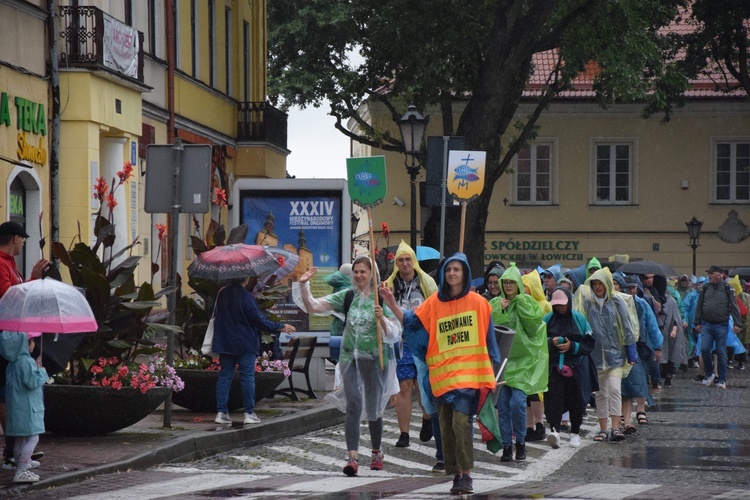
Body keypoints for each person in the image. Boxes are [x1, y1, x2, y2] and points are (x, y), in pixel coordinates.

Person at [381, 253, 499, 495]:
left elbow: (490, 342)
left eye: (456, 270)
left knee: (460, 423)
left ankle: (466, 473)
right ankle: (455, 473)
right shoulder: (434, 302)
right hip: (442, 377)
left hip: (468, 377)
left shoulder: (479, 304)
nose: (452, 274)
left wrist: (492, 371)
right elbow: (412, 322)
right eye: (448, 270)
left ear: (464, 273)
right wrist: (392, 304)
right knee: (444, 427)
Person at [293, 256, 401, 476]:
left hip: (374, 359)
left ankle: (376, 451)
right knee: (353, 403)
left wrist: (382, 319)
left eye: (363, 271)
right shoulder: (348, 296)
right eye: (356, 272)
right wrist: (303, 285)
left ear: (372, 274)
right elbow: (313, 306)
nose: (359, 275)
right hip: (350, 358)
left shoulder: (380, 299)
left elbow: (394, 334)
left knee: (373, 407)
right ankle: (352, 457)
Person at [213, 276, 296, 426]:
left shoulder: (222, 294)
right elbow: (257, 319)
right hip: (245, 342)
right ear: (245, 279)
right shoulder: (246, 296)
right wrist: (279, 326)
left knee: (225, 375)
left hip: (225, 341)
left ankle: (221, 413)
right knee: (247, 377)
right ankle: (249, 413)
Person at [0, 221, 48, 469]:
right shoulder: (0, 263)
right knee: (7, 394)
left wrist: (30, 279)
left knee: (10, 393)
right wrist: (31, 280)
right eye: (22, 239)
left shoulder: (9, 263)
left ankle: (17, 451)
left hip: (13, 336)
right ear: (15, 238)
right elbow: (9, 298)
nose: (23, 243)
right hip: (6, 339)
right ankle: (12, 452)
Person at [490, 263, 548, 462]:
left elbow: (534, 326)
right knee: (503, 406)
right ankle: (507, 446)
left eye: (511, 282)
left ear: (517, 284)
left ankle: (521, 442)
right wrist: (499, 310)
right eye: (505, 282)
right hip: (504, 360)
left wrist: (520, 304)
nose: (507, 286)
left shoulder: (527, 302)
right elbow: (490, 327)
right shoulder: (496, 302)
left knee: (517, 403)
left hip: (523, 361)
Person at [383, 242, 438, 448]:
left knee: (422, 384)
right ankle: (404, 433)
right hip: (401, 341)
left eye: (408, 259)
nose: (405, 264)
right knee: (404, 386)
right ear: (396, 263)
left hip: (423, 340)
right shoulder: (390, 284)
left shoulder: (427, 282)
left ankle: (427, 417)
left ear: (413, 261)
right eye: (401, 260)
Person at [573, 267, 637, 443]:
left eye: (600, 283)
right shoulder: (588, 303)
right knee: (601, 393)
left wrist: (631, 350)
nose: (597, 286)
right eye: (594, 283)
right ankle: (603, 429)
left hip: (615, 355)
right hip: (595, 357)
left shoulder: (617, 303)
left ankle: (616, 427)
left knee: (615, 389)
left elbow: (627, 327)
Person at [543, 287, 597, 448]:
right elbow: (538, 341)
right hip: (554, 367)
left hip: (577, 367)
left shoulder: (579, 319)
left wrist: (572, 346)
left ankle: (575, 432)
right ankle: (554, 431)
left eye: (563, 304)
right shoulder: (547, 319)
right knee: (553, 399)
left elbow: (589, 342)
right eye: (556, 304)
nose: (560, 307)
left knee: (576, 400)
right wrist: (550, 342)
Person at [0, 333, 47, 483]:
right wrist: (41, 371)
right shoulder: (26, 362)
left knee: (20, 439)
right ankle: (22, 469)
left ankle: (22, 466)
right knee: (33, 437)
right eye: (32, 342)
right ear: (25, 344)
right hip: (28, 409)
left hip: (16, 408)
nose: (34, 345)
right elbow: (33, 382)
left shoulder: (12, 363)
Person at [622, 275, 663, 430]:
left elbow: (652, 325)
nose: (631, 291)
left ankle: (640, 409)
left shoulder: (642, 304)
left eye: (633, 288)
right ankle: (624, 413)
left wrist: (657, 347)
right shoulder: (618, 303)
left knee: (640, 378)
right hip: (624, 347)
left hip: (640, 346)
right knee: (624, 381)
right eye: (628, 288)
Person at [694, 266, 743, 389]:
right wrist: (697, 322)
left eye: (711, 273)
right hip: (707, 324)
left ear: (719, 275)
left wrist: (737, 323)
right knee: (704, 349)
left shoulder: (727, 288)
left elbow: (734, 306)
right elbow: (699, 305)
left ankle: (721, 379)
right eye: (708, 273)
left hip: (721, 324)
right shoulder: (705, 288)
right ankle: (709, 374)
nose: (709, 275)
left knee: (721, 352)